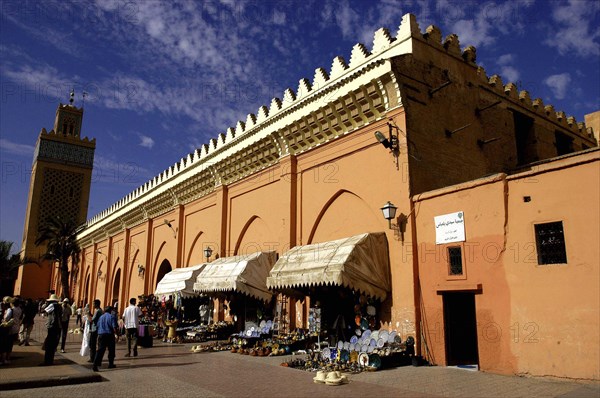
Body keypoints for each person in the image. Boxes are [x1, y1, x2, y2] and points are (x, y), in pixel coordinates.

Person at [93, 305, 118, 371]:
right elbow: (114, 327)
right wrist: (117, 334)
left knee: (100, 350)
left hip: (101, 335)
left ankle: (95, 364)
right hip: (109, 335)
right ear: (110, 310)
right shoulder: (112, 317)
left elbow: (97, 325)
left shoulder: (101, 317)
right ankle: (110, 363)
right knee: (111, 350)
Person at [40, 293, 62, 366]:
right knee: (53, 344)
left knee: (49, 344)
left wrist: (45, 305)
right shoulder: (59, 306)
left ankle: (47, 361)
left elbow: (44, 311)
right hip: (58, 326)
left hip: (52, 326)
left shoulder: (52, 305)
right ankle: (50, 360)